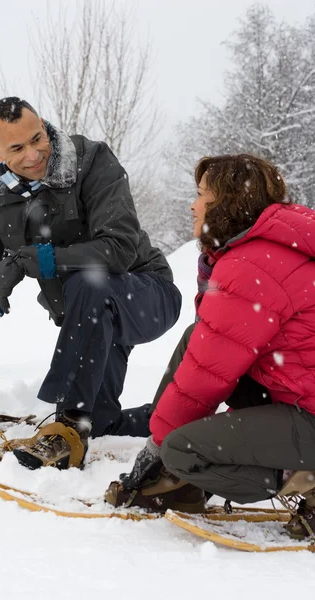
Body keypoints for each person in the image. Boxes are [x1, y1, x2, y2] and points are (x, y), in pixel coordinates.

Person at [0, 97, 182, 470]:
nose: (33, 154)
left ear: (43, 124)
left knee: (87, 283)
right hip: (89, 321)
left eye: (37, 138)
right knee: (102, 420)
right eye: (17, 148)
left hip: (146, 293)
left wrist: (32, 259)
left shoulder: (91, 161)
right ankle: (175, 418)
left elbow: (119, 249)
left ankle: (67, 428)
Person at [106, 153, 315, 540]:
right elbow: (206, 353)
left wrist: (158, 449)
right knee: (192, 339)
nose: (193, 204)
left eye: (201, 194)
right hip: (298, 397)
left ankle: (306, 480)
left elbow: (206, 375)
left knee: (182, 449)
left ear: (227, 204)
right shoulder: (266, 250)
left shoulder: (251, 266)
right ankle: (182, 483)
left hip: (308, 414)